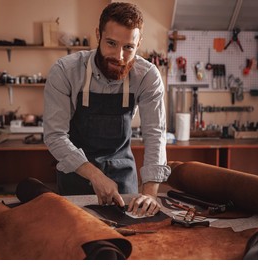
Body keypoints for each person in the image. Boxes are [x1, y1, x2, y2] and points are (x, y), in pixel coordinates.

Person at [43, 2, 170, 216]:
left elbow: (155, 134)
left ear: (138, 44)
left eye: (128, 47)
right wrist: (95, 176)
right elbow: (54, 135)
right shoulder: (65, 71)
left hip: (123, 179)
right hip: (77, 176)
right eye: (111, 43)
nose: (119, 56)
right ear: (98, 36)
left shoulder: (147, 76)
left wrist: (149, 193)